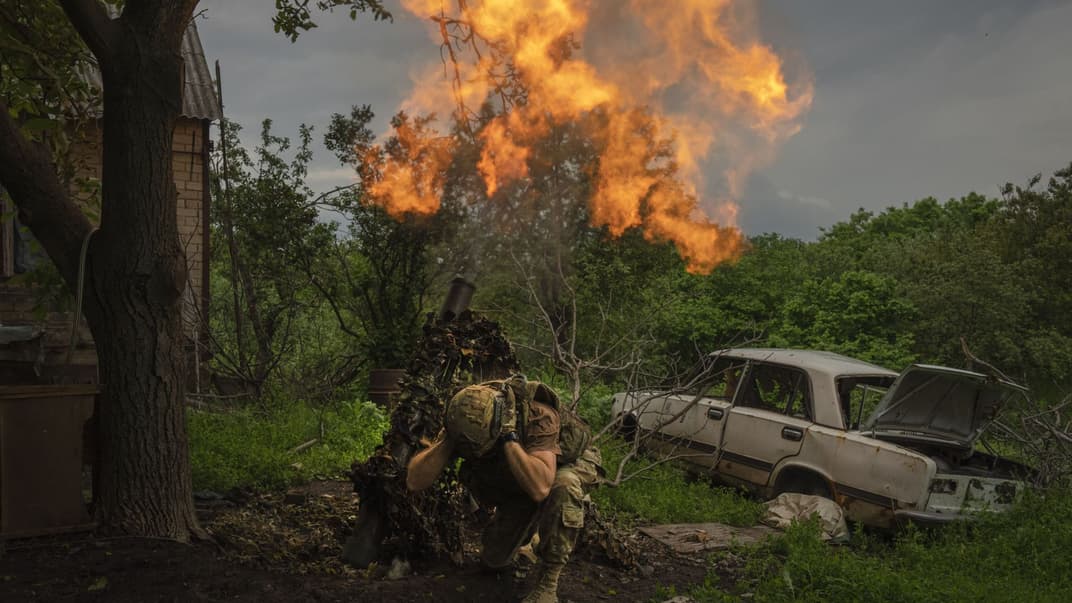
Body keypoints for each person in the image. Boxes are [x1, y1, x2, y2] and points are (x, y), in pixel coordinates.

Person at [406, 376, 602, 603]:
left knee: (563, 486)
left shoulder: (538, 415)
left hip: (563, 465)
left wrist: (509, 437)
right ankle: (533, 540)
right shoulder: (463, 416)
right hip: (524, 472)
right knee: (495, 560)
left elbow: (540, 487)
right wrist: (447, 442)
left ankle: (548, 583)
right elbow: (414, 481)